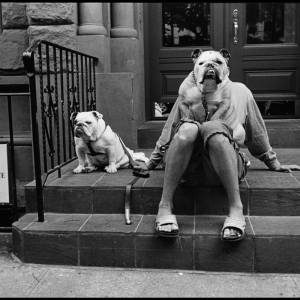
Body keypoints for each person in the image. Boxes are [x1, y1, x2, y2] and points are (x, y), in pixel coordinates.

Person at [134, 48, 300, 241]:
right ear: (195, 69)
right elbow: (170, 131)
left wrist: (273, 162)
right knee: (187, 129)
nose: (210, 67)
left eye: (217, 63)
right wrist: (151, 163)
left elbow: (256, 132)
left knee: (214, 129)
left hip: (222, 168)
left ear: (226, 68)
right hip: (188, 168)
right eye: (203, 63)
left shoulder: (240, 91)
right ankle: (164, 205)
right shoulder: (187, 93)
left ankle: (236, 208)